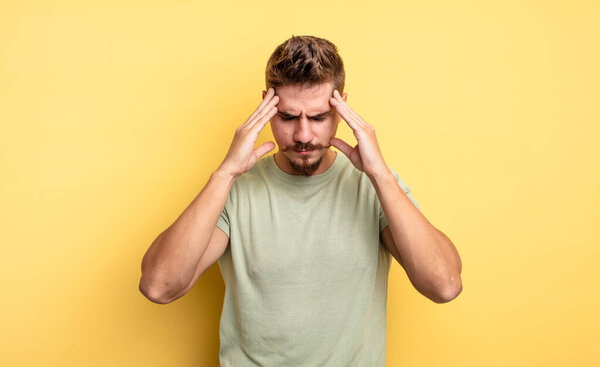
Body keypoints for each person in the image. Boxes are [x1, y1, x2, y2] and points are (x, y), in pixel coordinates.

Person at [139, 35, 462, 366]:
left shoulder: (373, 186)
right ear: (267, 106)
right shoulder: (235, 190)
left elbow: (444, 286)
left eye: (319, 117)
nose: (303, 135)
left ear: (342, 108)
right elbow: (159, 286)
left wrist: (381, 176)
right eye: (289, 117)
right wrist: (224, 174)